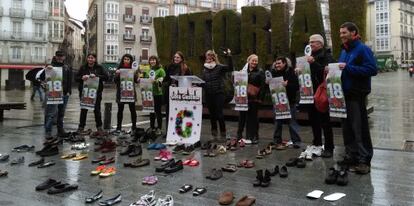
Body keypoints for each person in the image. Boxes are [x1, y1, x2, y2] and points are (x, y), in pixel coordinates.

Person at [338, 22, 377, 174]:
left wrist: (348, 68)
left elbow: (372, 69)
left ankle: (364, 160)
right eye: (340, 33)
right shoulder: (344, 50)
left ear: (354, 33)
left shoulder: (363, 49)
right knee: (347, 128)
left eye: (344, 33)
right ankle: (351, 155)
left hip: (357, 94)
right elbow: (342, 69)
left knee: (359, 128)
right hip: (344, 95)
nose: (341, 35)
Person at [306, 34, 335, 157]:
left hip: (322, 92)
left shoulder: (327, 56)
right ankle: (317, 143)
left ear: (320, 44)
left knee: (325, 121)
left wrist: (313, 63)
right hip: (310, 92)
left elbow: (327, 72)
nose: (310, 44)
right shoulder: (309, 56)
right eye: (310, 42)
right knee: (313, 120)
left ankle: (329, 147)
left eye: (313, 42)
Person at [267, 56, 301, 149]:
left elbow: (297, 86)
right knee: (277, 123)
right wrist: (267, 83)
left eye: (279, 63)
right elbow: (268, 89)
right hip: (277, 102)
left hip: (290, 101)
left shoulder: (291, 73)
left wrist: (288, 85)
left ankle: (296, 141)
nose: (277, 65)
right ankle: (276, 140)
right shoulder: (273, 73)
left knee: (292, 123)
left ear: (285, 63)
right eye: (276, 63)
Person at [201, 49, 233, 140]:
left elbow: (230, 68)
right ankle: (214, 132)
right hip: (208, 94)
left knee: (219, 114)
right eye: (208, 56)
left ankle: (223, 132)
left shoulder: (219, 67)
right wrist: (197, 83)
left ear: (214, 57)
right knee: (212, 114)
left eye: (211, 56)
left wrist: (229, 56)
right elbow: (203, 82)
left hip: (219, 93)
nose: (209, 58)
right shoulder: (204, 69)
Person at [41, 50, 72, 139]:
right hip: (53, 93)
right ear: (55, 56)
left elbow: (69, 80)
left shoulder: (67, 67)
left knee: (61, 113)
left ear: (64, 57)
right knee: (51, 113)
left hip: (64, 93)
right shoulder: (50, 67)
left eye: (61, 56)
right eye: (58, 56)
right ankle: (48, 131)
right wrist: (46, 70)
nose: (59, 57)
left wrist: (69, 91)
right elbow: (43, 78)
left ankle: (60, 130)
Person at [76, 53, 109, 136]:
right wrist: (82, 78)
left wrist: (97, 76)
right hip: (85, 92)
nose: (90, 59)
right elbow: (76, 78)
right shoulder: (83, 67)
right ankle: (81, 127)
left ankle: (99, 127)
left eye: (92, 58)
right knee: (84, 110)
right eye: (89, 58)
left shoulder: (100, 67)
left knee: (97, 110)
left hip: (96, 92)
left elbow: (106, 77)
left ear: (95, 59)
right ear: (87, 59)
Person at [237, 54, 265, 145]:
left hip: (254, 98)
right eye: (253, 60)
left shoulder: (260, 71)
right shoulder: (243, 71)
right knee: (242, 117)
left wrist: (260, 99)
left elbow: (263, 86)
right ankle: (239, 136)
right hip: (243, 97)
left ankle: (254, 136)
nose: (254, 62)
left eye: (256, 61)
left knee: (253, 118)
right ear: (248, 61)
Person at [162, 51, 192, 137]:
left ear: (182, 59)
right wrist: (169, 84)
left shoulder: (185, 68)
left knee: (179, 114)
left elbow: (189, 80)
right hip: (170, 93)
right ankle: (168, 131)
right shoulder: (169, 66)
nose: (176, 59)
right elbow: (166, 80)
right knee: (168, 113)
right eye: (175, 57)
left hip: (180, 95)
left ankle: (178, 131)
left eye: (178, 57)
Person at [114, 54, 139, 134]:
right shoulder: (119, 68)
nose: (126, 60)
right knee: (120, 110)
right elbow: (115, 80)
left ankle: (134, 127)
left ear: (130, 61)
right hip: (121, 92)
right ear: (123, 60)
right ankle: (118, 127)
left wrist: (137, 76)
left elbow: (136, 80)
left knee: (133, 110)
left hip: (130, 92)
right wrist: (117, 74)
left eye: (128, 59)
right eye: (125, 59)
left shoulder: (133, 69)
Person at [144, 55, 166, 135]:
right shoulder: (148, 70)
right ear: (149, 61)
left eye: (154, 60)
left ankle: (159, 128)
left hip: (158, 94)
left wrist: (156, 81)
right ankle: (152, 127)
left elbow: (162, 81)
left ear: (156, 61)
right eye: (151, 60)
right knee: (151, 111)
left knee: (158, 111)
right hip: (149, 93)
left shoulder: (161, 70)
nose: (152, 61)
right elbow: (145, 80)